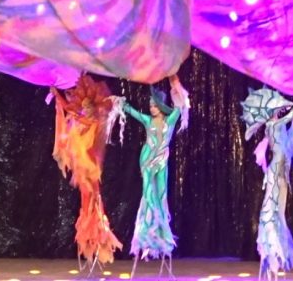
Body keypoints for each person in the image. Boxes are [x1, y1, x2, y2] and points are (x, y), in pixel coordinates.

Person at [113, 74, 189, 277]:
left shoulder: (170, 120)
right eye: (150, 105)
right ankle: (145, 234)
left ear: (161, 106)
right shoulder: (148, 120)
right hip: (147, 161)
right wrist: (120, 103)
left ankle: (161, 233)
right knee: (148, 197)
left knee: (161, 197)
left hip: (162, 162)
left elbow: (182, 105)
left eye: (155, 105)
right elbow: (132, 112)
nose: (152, 108)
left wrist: (175, 84)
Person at [50, 75, 122, 271]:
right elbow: (68, 108)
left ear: (93, 107)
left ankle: (98, 240)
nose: (85, 109)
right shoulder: (80, 120)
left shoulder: (96, 124)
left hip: (91, 170)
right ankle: (89, 245)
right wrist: (57, 95)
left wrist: (112, 105)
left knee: (94, 204)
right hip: (82, 172)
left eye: (89, 106)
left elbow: (101, 116)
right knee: (85, 204)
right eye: (84, 107)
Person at [241, 88, 293, 281]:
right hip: (275, 171)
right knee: (271, 211)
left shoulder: (277, 125)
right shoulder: (273, 124)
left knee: (280, 215)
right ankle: (271, 251)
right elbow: (292, 114)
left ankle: (275, 255)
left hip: (282, 172)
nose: (279, 110)